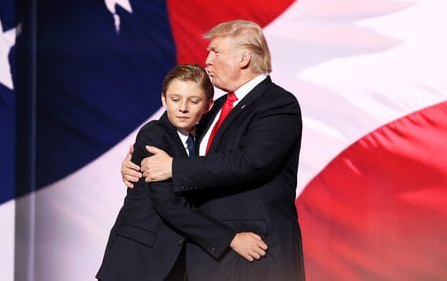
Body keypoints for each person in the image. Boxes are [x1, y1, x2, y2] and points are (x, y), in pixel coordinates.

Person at [122, 20, 305, 281]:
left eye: (215, 52)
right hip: (207, 256)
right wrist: (136, 160)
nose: (207, 60)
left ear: (244, 58)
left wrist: (173, 168)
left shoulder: (277, 104)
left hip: (255, 253)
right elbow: (171, 138)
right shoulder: (213, 109)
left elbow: (250, 161)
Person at [97, 64, 268, 281]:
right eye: (175, 99)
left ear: (207, 106)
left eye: (193, 101)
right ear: (163, 99)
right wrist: (231, 239)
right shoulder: (154, 134)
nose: (183, 108)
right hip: (136, 262)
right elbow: (167, 204)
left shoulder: (207, 139)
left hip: (178, 264)